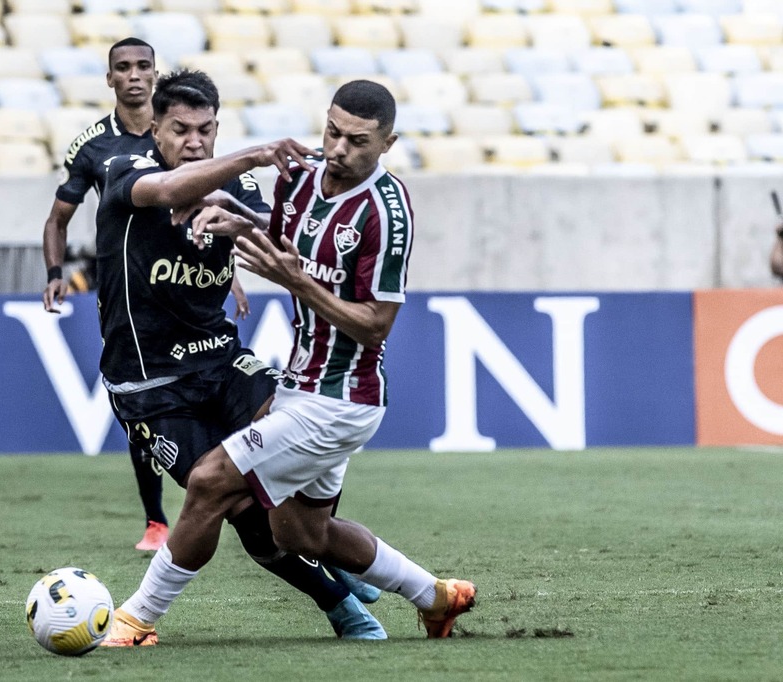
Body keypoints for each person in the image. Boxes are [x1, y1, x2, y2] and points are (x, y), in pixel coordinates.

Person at [103, 80, 476, 647]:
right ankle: (436, 597)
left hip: (342, 399)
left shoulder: (387, 213)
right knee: (300, 531)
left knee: (209, 484)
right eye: (332, 132)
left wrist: (296, 281)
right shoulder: (300, 179)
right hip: (298, 385)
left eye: (357, 140)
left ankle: (137, 618)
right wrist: (237, 224)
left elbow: (375, 323)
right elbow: (283, 241)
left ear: (387, 143)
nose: (339, 149)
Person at [44, 68, 386, 641]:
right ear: (154, 129)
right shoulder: (126, 170)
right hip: (150, 385)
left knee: (296, 435)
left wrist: (244, 230)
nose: (193, 141)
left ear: (215, 127)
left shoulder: (239, 192)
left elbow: (284, 249)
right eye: (179, 129)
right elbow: (169, 192)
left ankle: (324, 546)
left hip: (223, 364)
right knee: (241, 509)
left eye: (205, 130)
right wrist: (254, 156)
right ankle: (340, 601)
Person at [42, 37, 170, 551]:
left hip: (185, 284)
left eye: (143, 66)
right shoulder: (92, 146)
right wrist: (55, 271)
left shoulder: (178, 133)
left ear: (156, 73)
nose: (135, 75)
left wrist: (233, 274)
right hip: (126, 292)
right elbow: (57, 220)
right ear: (110, 78)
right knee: (139, 402)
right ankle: (157, 520)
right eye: (124, 67)